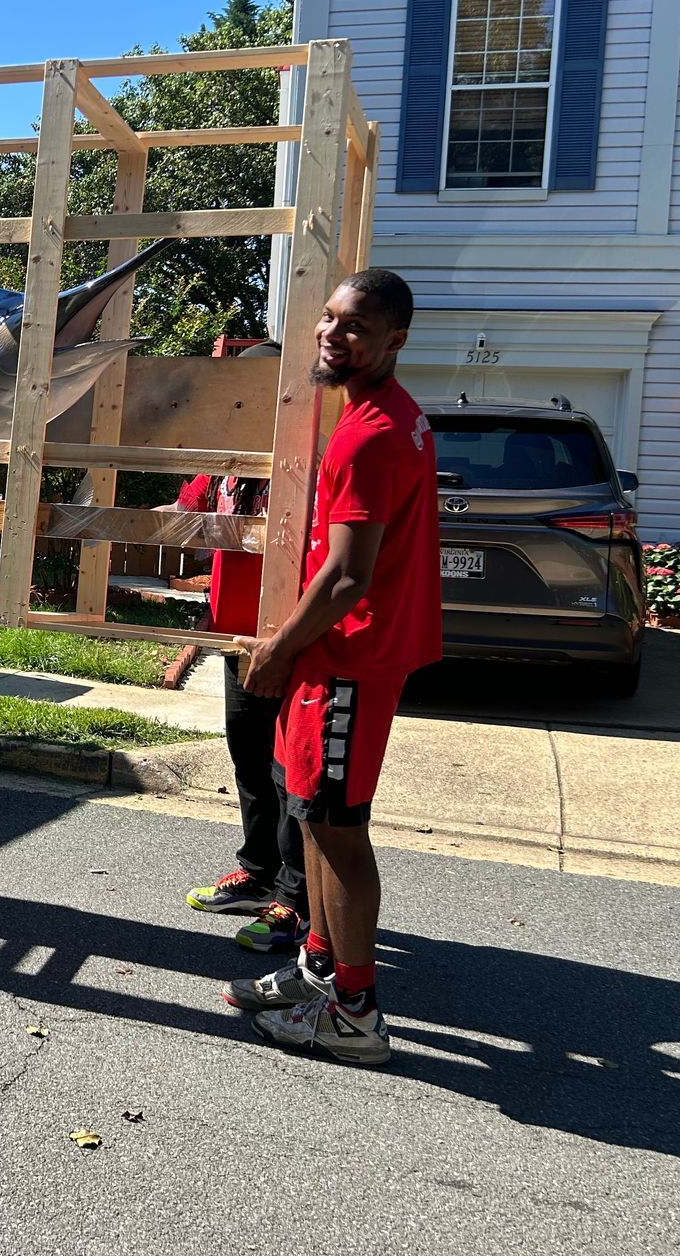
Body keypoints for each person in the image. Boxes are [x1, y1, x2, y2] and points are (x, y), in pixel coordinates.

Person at [223, 270, 440, 1066]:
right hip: (339, 656)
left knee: (339, 831)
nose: (332, 334)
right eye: (328, 319)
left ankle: (355, 1011)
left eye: (355, 326)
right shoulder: (389, 417)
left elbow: (350, 575)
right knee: (312, 814)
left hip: (349, 656)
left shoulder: (373, 434)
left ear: (394, 341)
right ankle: (318, 970)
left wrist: (278, 649)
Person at [178, 342, 307, 954]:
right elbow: (188, 510)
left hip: (286, 642)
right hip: (236, 638)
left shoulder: (303, 459)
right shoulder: (230, 464)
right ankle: (257, 875)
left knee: (292, 777)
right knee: (250, 762)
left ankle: (295, 900)